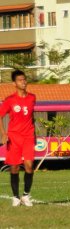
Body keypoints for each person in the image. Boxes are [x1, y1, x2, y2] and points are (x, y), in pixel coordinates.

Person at [0, 70, 36, 207]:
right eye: (20, 80)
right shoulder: (10, 100)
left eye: (24, 79)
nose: (23, 82)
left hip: (28, 136)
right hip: (14, 138)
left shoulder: (32, 97)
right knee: (14, 167)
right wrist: (3, 133)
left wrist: (35, 134)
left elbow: (32, 117)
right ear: (14, 83)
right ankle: (15, 197)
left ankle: (26, 195)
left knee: (29, 165)